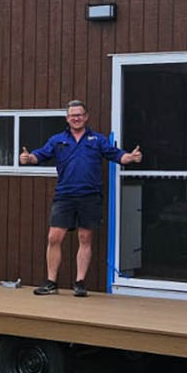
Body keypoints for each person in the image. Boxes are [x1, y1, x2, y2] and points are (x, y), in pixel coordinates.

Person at [19, 99, 142, 297]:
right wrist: (27, 158)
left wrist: (131, 157)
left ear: (86, 117)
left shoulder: (98, 140)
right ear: (67, 118)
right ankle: (51, 283)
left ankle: (80, 283)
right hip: (64, 196)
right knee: (54, 238)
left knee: (85, 238)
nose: (76, 118)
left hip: (90, 196)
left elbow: (117, 155)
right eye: (72, 115)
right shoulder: (57, 140)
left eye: (79, 114)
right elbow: (38, 156)